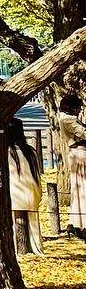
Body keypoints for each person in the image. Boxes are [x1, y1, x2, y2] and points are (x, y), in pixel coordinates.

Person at [6, 117, 44, 254]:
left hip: (14, 195)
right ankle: (36, 247)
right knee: (33, 221)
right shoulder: (31, 151)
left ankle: (17, 249)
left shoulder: (6, 151)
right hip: (32, 193)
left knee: (12, 221)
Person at [57, 93, 86, 241]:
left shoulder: (69, 118)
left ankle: (78, 223)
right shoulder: (67, 119)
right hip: (79, 154)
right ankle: (80, 224)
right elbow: (82, 133)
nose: (80, 110)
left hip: (79, 153)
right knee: (82, 189)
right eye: (78, 107)